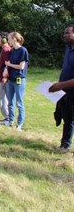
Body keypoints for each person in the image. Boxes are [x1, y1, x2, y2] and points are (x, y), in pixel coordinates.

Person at [49, 24, 74, 153]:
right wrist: (59, 84)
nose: (64, 35)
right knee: (67, 119)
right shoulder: (68, 48)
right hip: (65, 92)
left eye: (67, 33)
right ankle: (65, 145)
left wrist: (61, 85)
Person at [2, 32, 29, 131]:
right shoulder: (12, 51)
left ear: (14, 39)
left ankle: (20, 124)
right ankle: (10, 121)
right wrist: (6, 68)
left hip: (19, 80)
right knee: (10, 102)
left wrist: (9, 64)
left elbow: (21, 66)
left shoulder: (23, 50)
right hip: (11, 80)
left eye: (9, 39)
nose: (8, 41)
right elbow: (8, 64)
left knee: (19, 103)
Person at [0, 32, 11, 124]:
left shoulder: (6, 50)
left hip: (3, 79)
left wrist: (5, 77)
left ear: (4, 40)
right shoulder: (5, 49)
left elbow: (8, 64)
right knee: (4, 99)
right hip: (2, 78)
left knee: (2, 99)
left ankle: (7, 118)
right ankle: (8, 118)